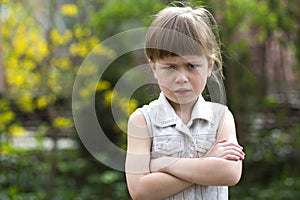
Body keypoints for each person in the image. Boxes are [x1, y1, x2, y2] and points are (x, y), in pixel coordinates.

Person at [125, 5, 245, 200]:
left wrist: (164, 163)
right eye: (170, 67)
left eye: (191, 66)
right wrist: (206, 163)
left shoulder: (221, 117)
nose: (181, 77)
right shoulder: (142, 121)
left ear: (209, 65)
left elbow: (230, 173)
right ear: (154, 68)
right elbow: (140, 190)